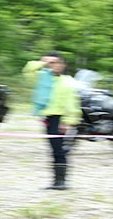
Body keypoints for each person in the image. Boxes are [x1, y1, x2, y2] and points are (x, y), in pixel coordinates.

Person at [23, 52, 81, 190]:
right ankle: (56, 181)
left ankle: (61, 181)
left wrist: (68, 121)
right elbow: (28, 71)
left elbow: (72, 103)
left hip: (61, 119)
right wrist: (42, 63)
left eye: (57, 62)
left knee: (60, 150)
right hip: (48, 118)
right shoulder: (43, 77)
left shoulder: (68, 81)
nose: (54, 65)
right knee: (54, 150)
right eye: (52, 62)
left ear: (63, 64)